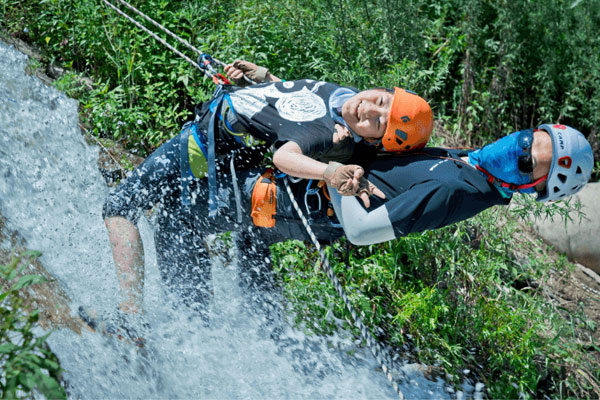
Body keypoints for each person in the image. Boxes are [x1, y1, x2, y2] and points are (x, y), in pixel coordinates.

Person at [102, 118, 593, 344]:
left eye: (529, 161)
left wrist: (334, 171)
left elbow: (361, 230)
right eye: (531, 138)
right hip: (298, 198)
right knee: (248, 244)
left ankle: (170, 337)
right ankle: (246, 342)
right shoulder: (464, 163)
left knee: (175, 214)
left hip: (301, 208)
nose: (520, 148)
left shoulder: (459, 190)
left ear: (529, 186)